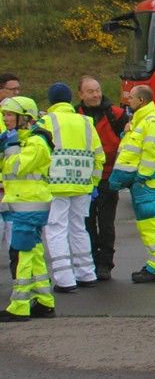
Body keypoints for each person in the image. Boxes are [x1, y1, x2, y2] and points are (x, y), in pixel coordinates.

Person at [41, 82, 102, 293]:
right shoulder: (86, 122)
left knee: (56, 229)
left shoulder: (46, 121)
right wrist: (93, 183)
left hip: (55, 184)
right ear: (69, 99)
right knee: (78, 227)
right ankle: (87, 273)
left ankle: (65, 279)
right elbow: (99, 156)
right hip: (83, 185)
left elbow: (41, 154)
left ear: (51, 100)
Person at [3, 95, 56, 320]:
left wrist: (11, 145)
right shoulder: (24, 140)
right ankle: (45, 302)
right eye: (4, 114)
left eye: (10, 115)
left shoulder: (36, 142)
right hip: (24, 205)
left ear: (25, 117)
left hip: (30, 206)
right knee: (33, 253)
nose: (5, 118)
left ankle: (19, 307)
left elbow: (16, 167)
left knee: (23, 253)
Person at [109, 84, 155, 282]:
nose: (128, 101)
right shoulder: (139, 121)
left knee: (151, 224)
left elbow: (150, 154)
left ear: (141, 100)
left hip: (145, 182)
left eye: (131, 98)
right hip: (140, 182)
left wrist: (142, 177)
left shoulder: (150, 121)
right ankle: (154, 265)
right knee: (147, 226)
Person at [77, 76, 129, 281]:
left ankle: (105, 264)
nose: (96, 94)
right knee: (87, 222)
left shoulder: (115, 113)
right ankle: (90, 260)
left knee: (106, 223)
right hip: (85, 179)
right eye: (90, 91)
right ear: (81, 94)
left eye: (97, 90)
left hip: (108, 177)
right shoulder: (75, 114)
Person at [0, 71, 19, 278]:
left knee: (15, 238)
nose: (16, 93)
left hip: (14, 187)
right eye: (12, 89)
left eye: (18, 89)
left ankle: (18, 276)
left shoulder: (21, 115)